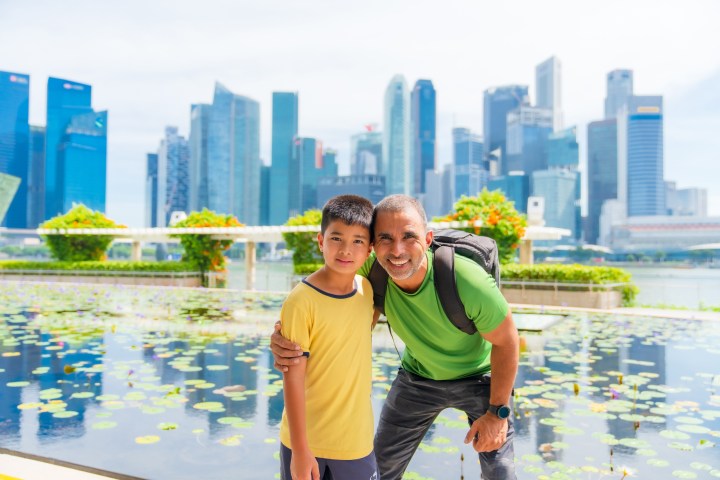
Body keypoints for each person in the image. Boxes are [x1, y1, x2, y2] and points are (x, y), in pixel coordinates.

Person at [273, 194, 519, 480]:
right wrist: (286, 338)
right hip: (418, 379)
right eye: (385, 238)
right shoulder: (370, 270)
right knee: (382, 469)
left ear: (428, 239)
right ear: (373, 246)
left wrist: (497, 412)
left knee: (500, 474)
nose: (397, 250)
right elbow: (327, 301)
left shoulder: (467, 280)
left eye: (409, 237)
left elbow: (508, 340)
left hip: (479, 378)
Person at [278, 194, 379, 480]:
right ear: (321, 241)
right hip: (308, 444)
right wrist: (299, 450)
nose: (346, 250)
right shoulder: (301, 301)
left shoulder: (366, 290)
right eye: (336, 238)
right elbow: (292, 377)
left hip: (357, 442)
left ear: (369, 248)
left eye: (358, 240)